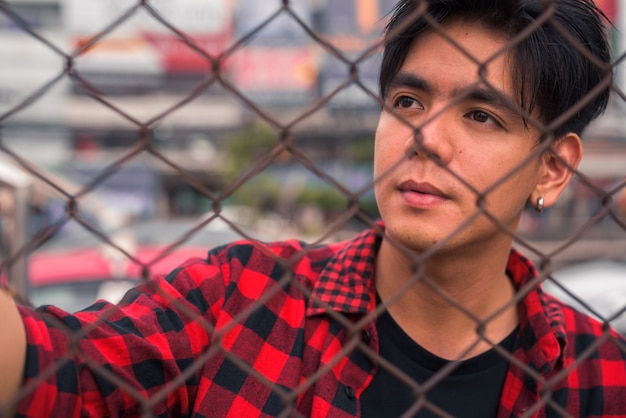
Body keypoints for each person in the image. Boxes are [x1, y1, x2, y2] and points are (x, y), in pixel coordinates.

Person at [1, 0, 625, 416]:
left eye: (481, 115)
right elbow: (51, 368)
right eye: (407, 101)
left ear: (552, 167)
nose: (426, 138)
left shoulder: (601, 376)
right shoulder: (240, 302)